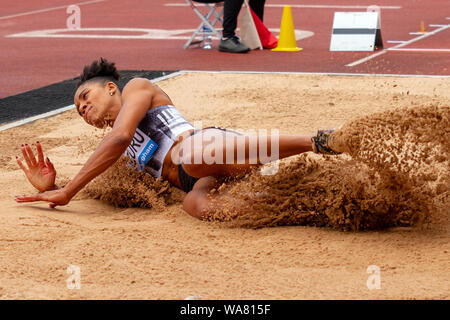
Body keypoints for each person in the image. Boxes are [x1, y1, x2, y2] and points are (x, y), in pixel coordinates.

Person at [15, 58, 341, 219]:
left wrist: (67, 192)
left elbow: (119, 137)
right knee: (194, 205)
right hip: (197, 179)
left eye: (85, 97)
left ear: (110, 88)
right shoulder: (116, 153)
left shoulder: (136, 88)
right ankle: (302, 207)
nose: (83, 107)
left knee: (195, 158)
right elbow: (103, 181)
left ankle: (318, 141)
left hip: (207, 148)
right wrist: (53, 187)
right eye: (78, 110)